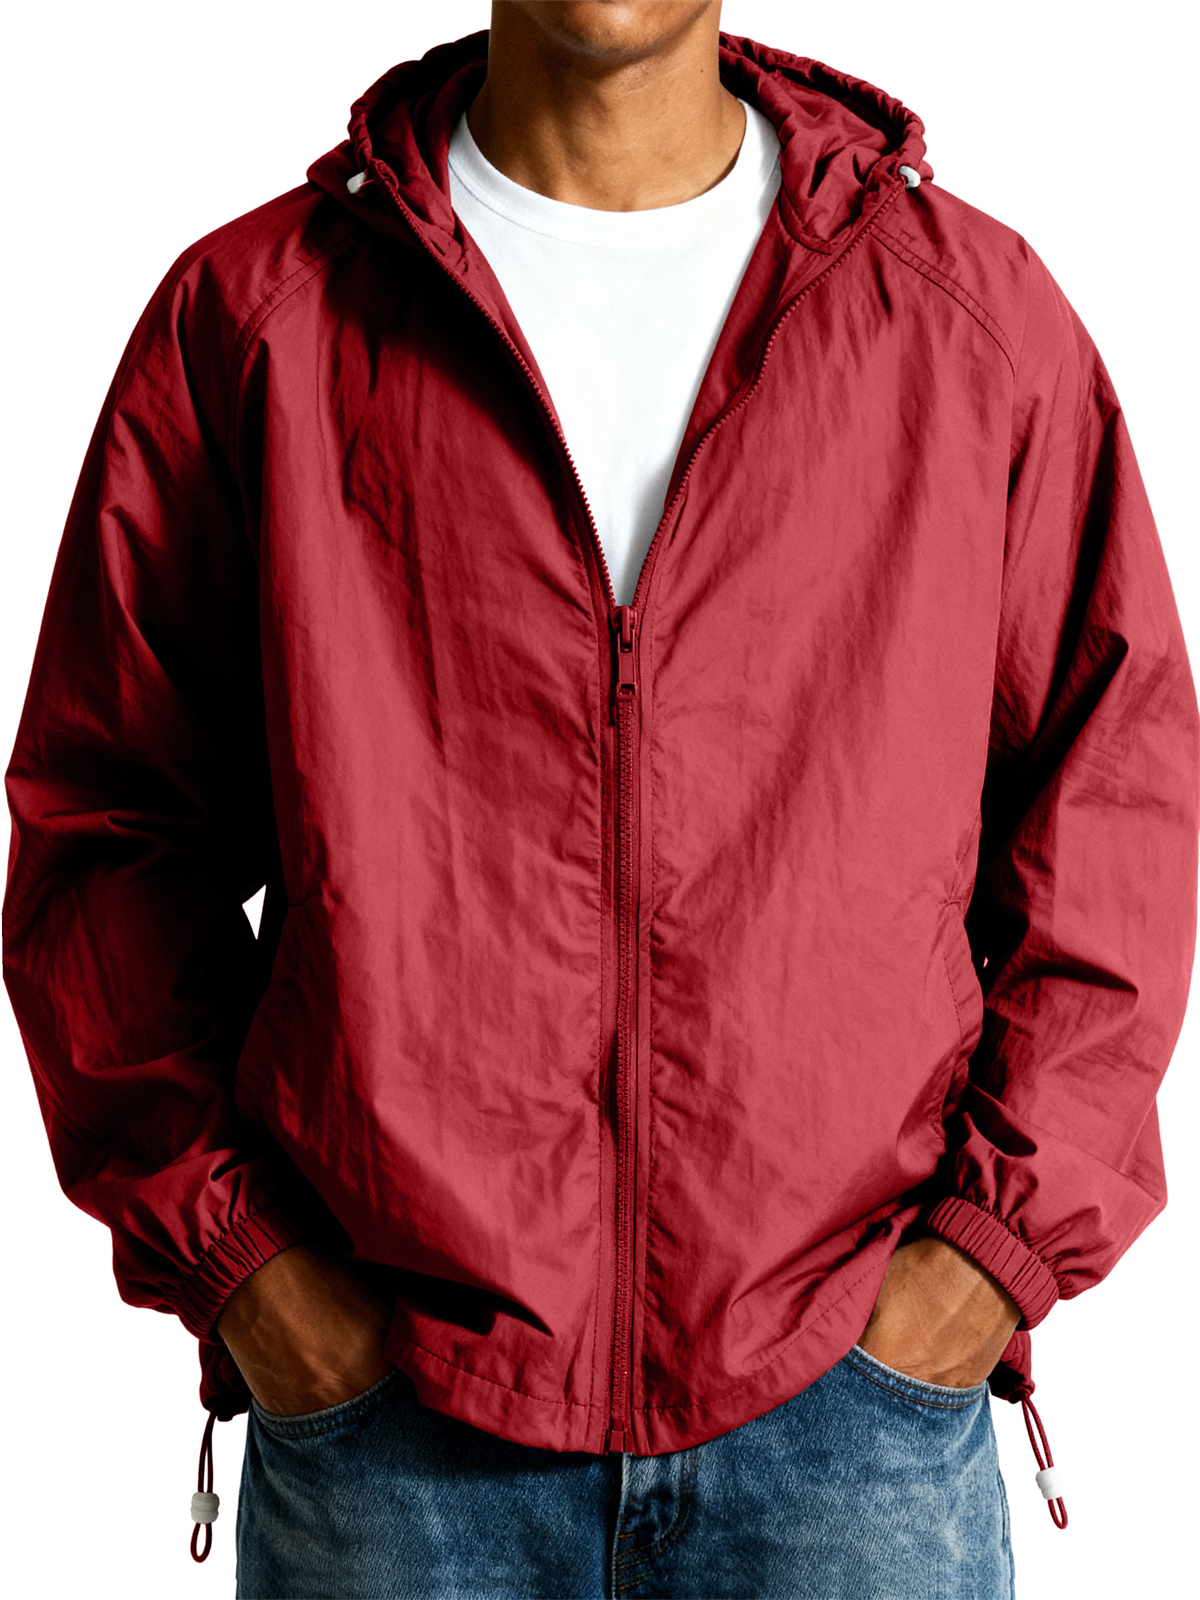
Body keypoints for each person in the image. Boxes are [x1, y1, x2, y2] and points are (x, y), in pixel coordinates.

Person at [3, 3, 1197, 1596]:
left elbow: (1116, 800)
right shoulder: (262, 320)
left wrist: (984, 1262)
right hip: (395, 1436)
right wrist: (247, 1271)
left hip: (849, 1436)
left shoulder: (964, 322)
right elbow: (108, 827)